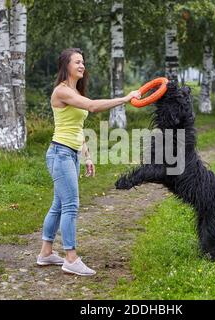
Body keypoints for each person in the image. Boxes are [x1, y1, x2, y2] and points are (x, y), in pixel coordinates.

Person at [36, 48, 141, 276]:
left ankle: (45, 253)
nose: (82, 66)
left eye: (83, 62)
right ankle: (71, 258)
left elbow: (76, 128)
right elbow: (93, 107)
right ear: (66, 66)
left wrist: (86, 155)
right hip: (60, 154)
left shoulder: (74, 91)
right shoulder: (61, 91)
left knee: (59, 204)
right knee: (71, 205)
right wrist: (126, 98)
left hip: (70, 153)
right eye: (77, 62)